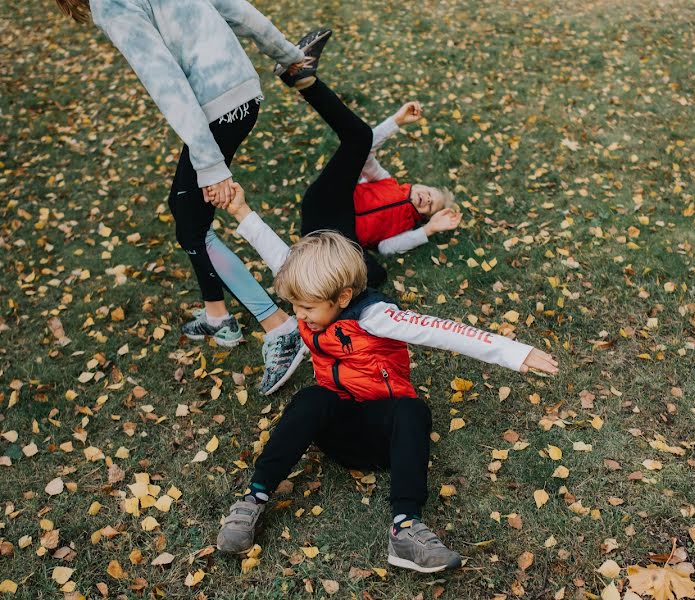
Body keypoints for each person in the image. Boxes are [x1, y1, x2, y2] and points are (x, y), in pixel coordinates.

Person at [214, 190, 558, 571]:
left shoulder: (377, 317)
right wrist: (241, 210)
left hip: (385, 439)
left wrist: (514, 352)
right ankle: (253, 499)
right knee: (310, 399)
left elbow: (444, 331)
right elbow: (277, 254)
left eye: (306, 309)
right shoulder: (312, 292)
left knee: (412, 409)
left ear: (343, 296)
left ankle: (406, 528)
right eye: (295, 306)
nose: (299, 316)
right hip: (338, 427)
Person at [53, 0, 330, 395]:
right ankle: (218, 316)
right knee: (185, 213)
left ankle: (280, 327)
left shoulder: (110, 3)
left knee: (193, 230)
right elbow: (235, 8)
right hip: (243, 94)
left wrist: (210, 164)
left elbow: (163, 78)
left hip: (214, 109)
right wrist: (288, 55)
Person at [353, 101, 463, 256]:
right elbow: (364, 150)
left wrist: (429, 229)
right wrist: (396, 121)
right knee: (358, 146)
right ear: (418, 185)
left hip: (342, 237)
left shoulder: (406, 228)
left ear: (424, 217)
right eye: (429, 193)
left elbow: (385, 248)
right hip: (336, 201)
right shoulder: (385, 181)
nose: (428, 200)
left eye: (431, 207)